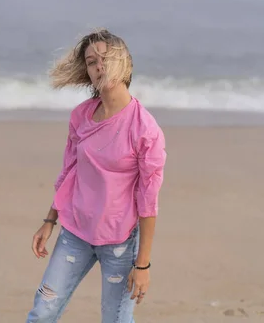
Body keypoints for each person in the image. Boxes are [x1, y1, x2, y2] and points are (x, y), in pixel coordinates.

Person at [26, 28, 167, 322]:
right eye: (91, 61)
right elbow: (69, 172)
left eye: (106, 58)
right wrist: (49, 221)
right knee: (41, 313)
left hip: (119, 241)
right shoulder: (80, 116)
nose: (99, 66)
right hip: (75, 232)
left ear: (124, 63)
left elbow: (148, 201)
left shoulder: (145, 129)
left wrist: (142, 265)